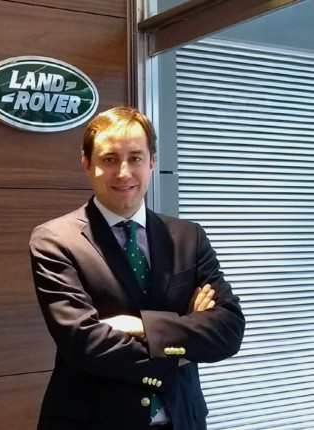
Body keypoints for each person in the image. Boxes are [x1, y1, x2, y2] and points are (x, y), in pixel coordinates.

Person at [29, 106, 245, 430]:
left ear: (152, 163)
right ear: (86, 163)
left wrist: (140, 326)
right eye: (109, 159)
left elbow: (228, 331)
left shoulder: (189, 237)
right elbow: (83, 344)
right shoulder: (54, 240)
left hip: (182, 420)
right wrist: (183, 341)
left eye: (135, 158)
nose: (124, 172)